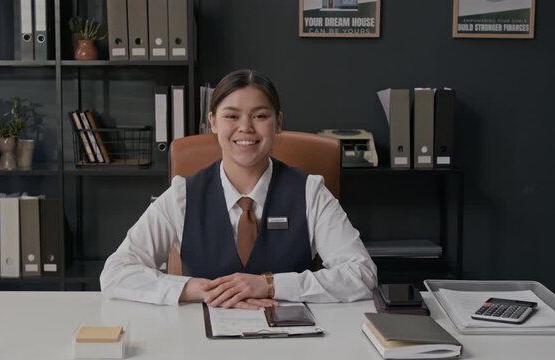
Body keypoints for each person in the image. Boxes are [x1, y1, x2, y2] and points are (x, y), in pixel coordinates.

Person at [100, 69, 377, 309]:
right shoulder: (182, 195)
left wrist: (270, 285)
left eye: (259, 115)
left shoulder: (310, 192)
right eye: (231, 116)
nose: (245, 128)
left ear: (278, 123)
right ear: (213, 122)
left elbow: (362, 274)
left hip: (291, 338)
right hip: (201, 341)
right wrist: (197, 290)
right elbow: (116, 273)